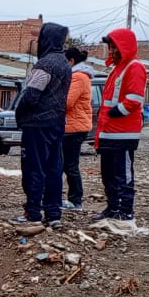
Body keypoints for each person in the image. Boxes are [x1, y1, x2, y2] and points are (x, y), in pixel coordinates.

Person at [8, 23, 71, 228]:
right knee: (54, 168)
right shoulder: (64, 63)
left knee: (34, 168)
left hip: (37, 125)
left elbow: (32, 94)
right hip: (57, 123)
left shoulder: (45, 65)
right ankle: (53, 213)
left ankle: (33, 212)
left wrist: (20, 112)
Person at [95, 28, 146, 222]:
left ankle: (125, 210)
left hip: (123, 133)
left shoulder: (134, 67)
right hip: (110, 132)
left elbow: (134, 98)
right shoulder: (118, 69)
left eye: (113, 46)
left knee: (123, 175)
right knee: (108, 174)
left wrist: (116, 112)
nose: (110, 51)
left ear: (122, 47)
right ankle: (113, 207)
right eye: (109, 47)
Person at [62, 46, 93, 212]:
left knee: (70, 165)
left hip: (74, 127)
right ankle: (73, 199)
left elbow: (67, 102)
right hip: (74, 125)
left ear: (71, 61)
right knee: (66, 164)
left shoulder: (78, 77)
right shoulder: (80, 76)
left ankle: (75, 200)